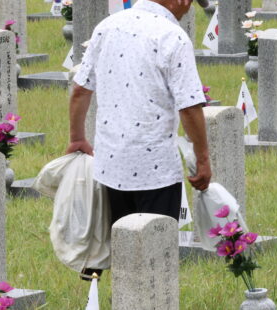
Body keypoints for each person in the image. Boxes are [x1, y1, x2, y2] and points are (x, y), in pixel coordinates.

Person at [65, 0, 213, 276]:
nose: (187, 9)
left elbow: (80, 90)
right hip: (155, 169)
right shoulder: (172, 36)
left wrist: (77, 138)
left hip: (110, 166)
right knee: (156, 263)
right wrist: (202, 158)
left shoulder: (107, 27)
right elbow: (190, 107)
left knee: (123, 257)